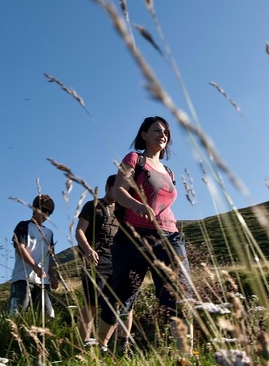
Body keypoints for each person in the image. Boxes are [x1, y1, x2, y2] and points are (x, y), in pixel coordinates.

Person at [96, 116, 194, 351]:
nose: (163, 135)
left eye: (166, 132)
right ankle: (98, 346)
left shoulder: (169, 172)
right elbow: (119, 190)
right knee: (121, 294)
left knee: (178, 292)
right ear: (144, 135)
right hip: (135, 235)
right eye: (157, 130)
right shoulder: (135, 159)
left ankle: (186, 355)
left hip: (169, 235)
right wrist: (136, 204)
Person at [74, 175, 130, 345]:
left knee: (116, 303)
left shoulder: (124, 210)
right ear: (107, 187)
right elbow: (79, 231)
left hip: (117, 261)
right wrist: (88, 250)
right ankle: (83, 345)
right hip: (96, 259)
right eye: (116, 187)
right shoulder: (92, 206)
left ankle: (102, 345)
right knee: (91, 303)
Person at [8, 194, 59, 319]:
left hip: (43, 281)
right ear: (35, 208)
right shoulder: (23, 226)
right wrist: (35, 268)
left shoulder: (49, 233)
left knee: (48, 315)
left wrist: (52, 276)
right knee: (18, 314)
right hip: (23, 278)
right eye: (43, 210)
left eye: (49, 212)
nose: (46, 214)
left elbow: (49, 256)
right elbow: (20, 248)